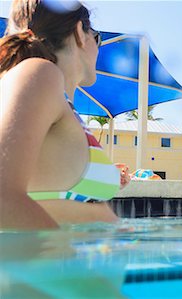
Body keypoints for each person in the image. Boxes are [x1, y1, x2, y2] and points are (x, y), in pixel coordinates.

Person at [0, 0, 130, 230]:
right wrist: (63, 256)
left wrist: (106, 175)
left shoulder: (60, 100)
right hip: (60, 264)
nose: (98, 49)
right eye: (97, 38)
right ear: (80, 32)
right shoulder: (39, 73)